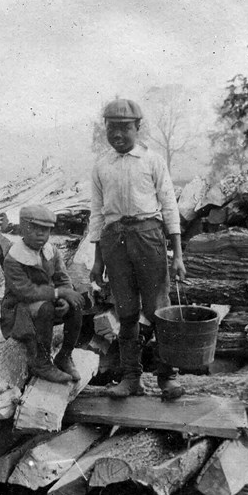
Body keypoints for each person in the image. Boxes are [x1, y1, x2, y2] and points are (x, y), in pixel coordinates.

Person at [89, 98, 187, 400]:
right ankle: (131, 378)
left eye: (124, 129)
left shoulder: (152, 160)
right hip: (115, 240)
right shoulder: (101, 165)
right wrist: (97, 260)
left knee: (158, 309)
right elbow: (97, 213)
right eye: (112, 129)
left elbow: (170, 206)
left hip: (149, 237)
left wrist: (178, 255)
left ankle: (167, 377)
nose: (117, 135)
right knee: (127, 312)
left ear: (138, 128)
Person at [1, 205, 86, 383]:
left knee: (75, 302)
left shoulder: (51, 251)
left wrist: (64, 296)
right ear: (22, 228)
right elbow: (25, 291)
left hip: (45, 301)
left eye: (45, 230)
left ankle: (64, 355)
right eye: (34, 228)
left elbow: (62, 278)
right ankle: (41, 363)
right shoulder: (14, 258)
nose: (40, 234)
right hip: (19, 311)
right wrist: (57, 293)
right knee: (45, 308)